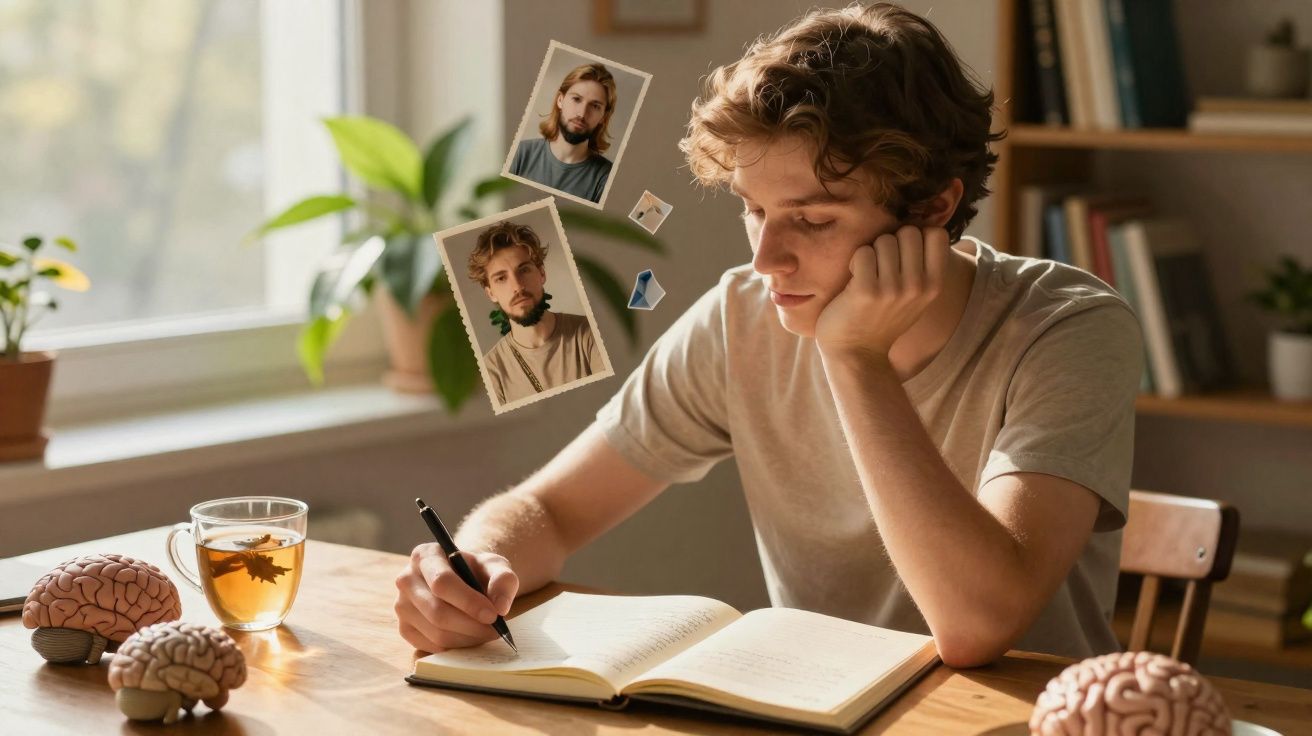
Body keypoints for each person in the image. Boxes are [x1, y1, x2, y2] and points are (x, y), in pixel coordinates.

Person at [397, 3, 1142, 668]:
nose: (764, 258)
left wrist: (854, 356)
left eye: (813, 220)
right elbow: (552, 510)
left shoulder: (1067, 327)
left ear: (933, 207)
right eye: (753, 209)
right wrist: (473, 566)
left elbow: (978, 627)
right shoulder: (744, 315)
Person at [467, 221, 606, 405]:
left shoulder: (589, 334)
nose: (517, 286)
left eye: (523, 270)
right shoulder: (491, 373)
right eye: (501, 278)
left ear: (541, 273)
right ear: (491, 293)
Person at [509, 62, 617, 203]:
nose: (582, 113)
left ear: (604, 117)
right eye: (576, 99)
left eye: (595, 106)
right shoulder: (520, 153)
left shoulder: (606, 177)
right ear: (560, 100)